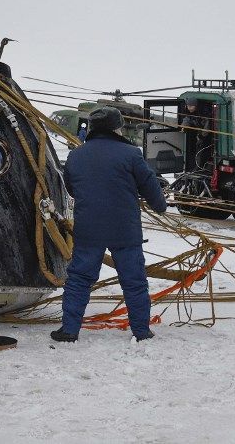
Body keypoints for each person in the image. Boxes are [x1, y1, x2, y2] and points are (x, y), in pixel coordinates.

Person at [51, 106, 168, 343]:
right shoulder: (131, 153)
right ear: (117, 128)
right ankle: (141, 331)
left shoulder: (76, 155)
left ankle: (69, 330)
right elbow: (150, 186)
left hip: (88, 230)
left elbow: (72, 189)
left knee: (80, 279)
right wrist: (160, 206)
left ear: (92, 128)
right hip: (124, 230)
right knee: (134, 281)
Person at [180, 96, 212, 170]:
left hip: (206, 135)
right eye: (188, 106)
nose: (189, 108)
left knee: (202, 151)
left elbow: (207, 127)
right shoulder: (188, 111)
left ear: (196, 106)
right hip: (196, 133)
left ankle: (199, 167)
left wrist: (202, 137)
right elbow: (187, 119)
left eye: (191, 106)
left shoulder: (204, 113)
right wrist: (183, 127)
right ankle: (192, 167)